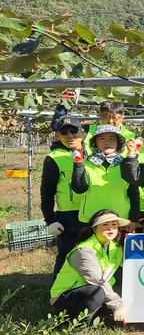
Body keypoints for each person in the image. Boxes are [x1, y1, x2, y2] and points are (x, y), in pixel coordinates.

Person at [50, 209, 128, 323]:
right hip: (65, 296)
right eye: (105, 224)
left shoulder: (116, 247)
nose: (110, 228)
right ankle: (81, 326)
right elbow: (98, 281)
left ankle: (98, 316)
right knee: (98, 292)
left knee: (123, 293)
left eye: (114, 224)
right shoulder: (84, 251)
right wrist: (117, 306)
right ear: (94, 229)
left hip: (93, 292)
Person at [41, 115, 85, 279]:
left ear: (82, 131)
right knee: (67, 256)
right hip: (69, 216)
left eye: (73, 130)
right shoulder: (54, 158)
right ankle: (58, 295)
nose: (69, 135)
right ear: (58, 136)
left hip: (93, 212)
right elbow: (47, 191)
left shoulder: (94, 153)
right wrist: (50, 220)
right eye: (64, 132)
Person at [71, 124, 140, 229]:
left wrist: (134, 219)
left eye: (112, 139)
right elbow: (79, 189)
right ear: (95, 142)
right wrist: (78, 165)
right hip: (91, 220)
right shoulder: (85, 163)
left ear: (118, 143)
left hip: (120, 220)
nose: (107, 142)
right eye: (101, 139)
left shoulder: (126, 164)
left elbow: (134, 193)